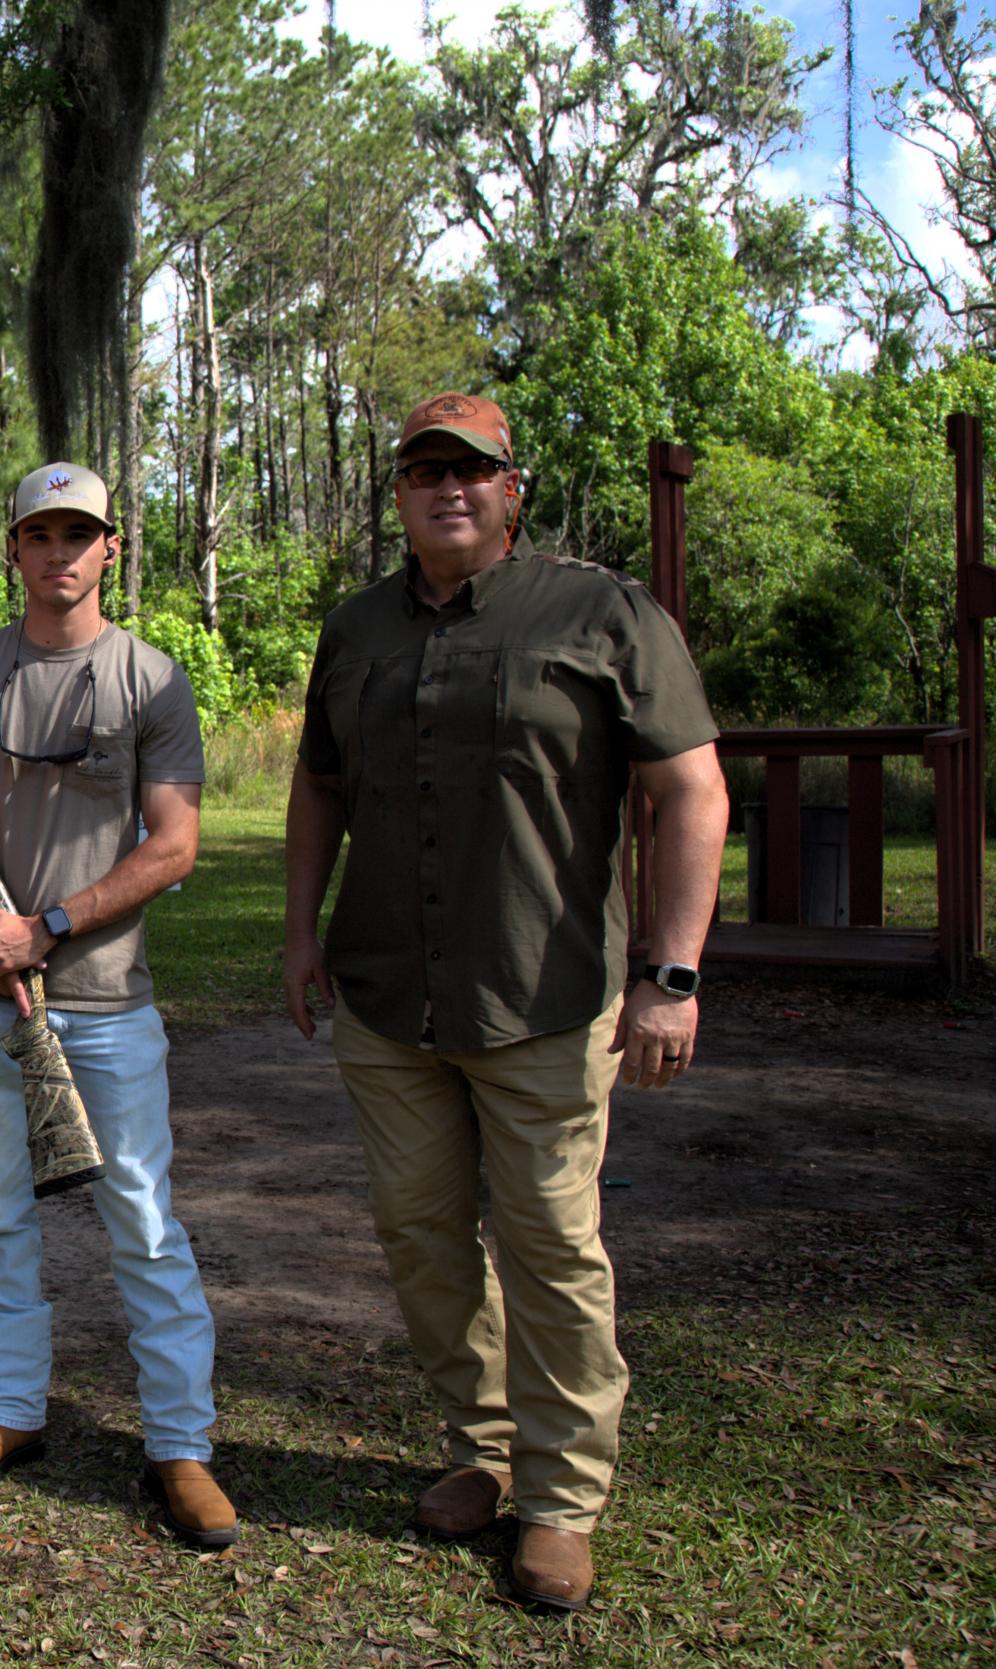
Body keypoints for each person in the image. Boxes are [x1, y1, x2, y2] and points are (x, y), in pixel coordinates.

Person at [281, 393, 728, 1611]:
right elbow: (320, 785)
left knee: (547, 1246)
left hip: (546, 993)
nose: (448, 490)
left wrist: (670, 975)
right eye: (424, 472)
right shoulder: (357, 625)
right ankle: (478, 1448)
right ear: (398, 495)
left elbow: (691, 792)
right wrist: (297, 931)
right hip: (386, 994)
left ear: (510, 487)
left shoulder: (601, 612)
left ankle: (562, 1497)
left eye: (471, 471)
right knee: (421, 1240)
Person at [0, 462, 236, 1547]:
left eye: (78, 535)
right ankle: (6, 1412)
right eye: (38, 535)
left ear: (111, 550)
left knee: (141, 1220)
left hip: (104, 997)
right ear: (13, 550)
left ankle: (179, 1444)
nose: (59, 554)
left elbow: (174, 843)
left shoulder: (150, 679)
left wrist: (46, 926)